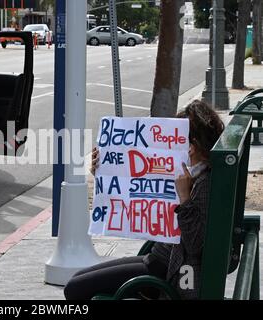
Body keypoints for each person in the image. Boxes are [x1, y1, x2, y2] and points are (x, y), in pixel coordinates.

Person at [64, 100, 225, 300]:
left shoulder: (203, 181)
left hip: (166, 271)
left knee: (75, 288)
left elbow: (196, 244)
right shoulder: (189, 173)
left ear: (191, 147)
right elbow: (138, 190)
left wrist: (184, 197)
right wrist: (106, 171)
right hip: (158, 258)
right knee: (78, 279)